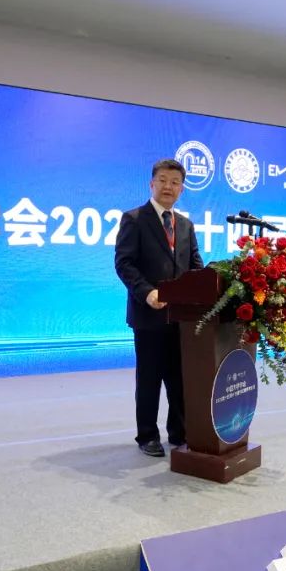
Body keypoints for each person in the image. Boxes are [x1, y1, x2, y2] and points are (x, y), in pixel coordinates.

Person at [114, 158, 204, 457]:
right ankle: (147, 436)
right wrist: (147, 292)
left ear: (182, 189)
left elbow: (195, 265)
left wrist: (206, 288)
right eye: (163, 180)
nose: (169, 187)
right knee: (149, 379)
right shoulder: (134, 219)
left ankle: (179, 433)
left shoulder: (186, 225)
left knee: (180, 379)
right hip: (148, 314)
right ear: (152, 184)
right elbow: (124, 264)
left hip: (181, 318)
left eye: (175, 182)